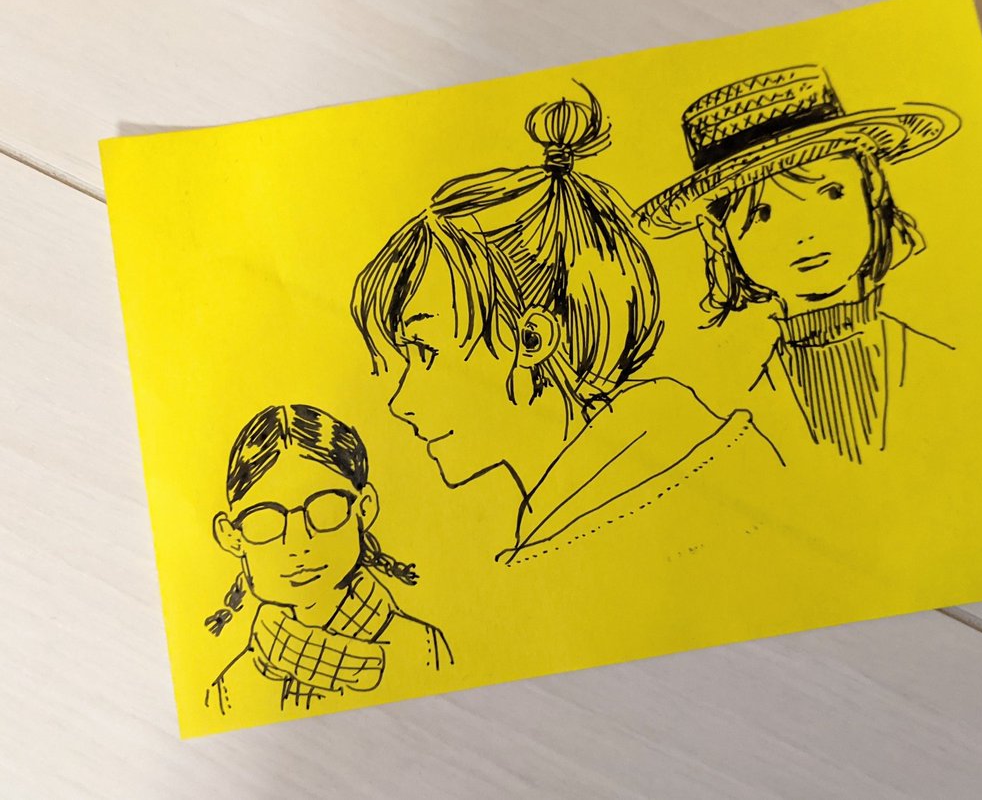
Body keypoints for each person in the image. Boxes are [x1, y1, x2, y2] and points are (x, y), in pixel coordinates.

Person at [351, 84, 784, 566]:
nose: (401, 403)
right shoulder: (613, 488)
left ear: (532, 339)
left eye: (426, 352)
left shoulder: (606, 529)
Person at [636, 65, 961, 464]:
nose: (806, 233)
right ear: (717, 233)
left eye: (831, 193)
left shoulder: (945, 369)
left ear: (873, 184)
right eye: (763, 213)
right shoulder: (743, 416)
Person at [204, 404, 451, 715]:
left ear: (364, 508)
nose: (297, 543)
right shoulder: (231, 689)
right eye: (265, 519)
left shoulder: (422, 649)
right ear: (231, 536)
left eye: (324, 508)